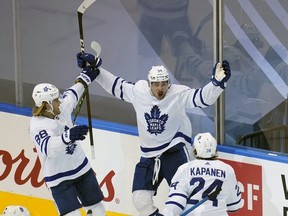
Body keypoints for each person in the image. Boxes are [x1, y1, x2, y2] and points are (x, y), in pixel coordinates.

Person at [76, 53, 231, 216]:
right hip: (149, 156)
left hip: (175, 151)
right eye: (156, 84)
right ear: (150, 84)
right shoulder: (138, 91)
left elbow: (202, 98)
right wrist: (96, 69)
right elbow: (115, 85)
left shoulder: (177, 94)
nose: (160, 88)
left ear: (168, 83)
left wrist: (217, 84)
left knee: (188, 199)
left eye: (163, 84)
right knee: (140, 200)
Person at [28, 57, 106, 216]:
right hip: (58, 178)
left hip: (80, 167)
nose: (59, 102)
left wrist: (86, 75)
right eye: (55, 100)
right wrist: (68, 136)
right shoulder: (37, 126)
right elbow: (48, 147)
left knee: (97, 210)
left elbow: (73, 93)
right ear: (47, 105)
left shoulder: (60, 107)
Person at [163, 132, 242, 215]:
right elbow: (234, 206)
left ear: (195, 150)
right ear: (215, 150)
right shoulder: (227, 169)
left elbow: (176, 203)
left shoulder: (185, 169)